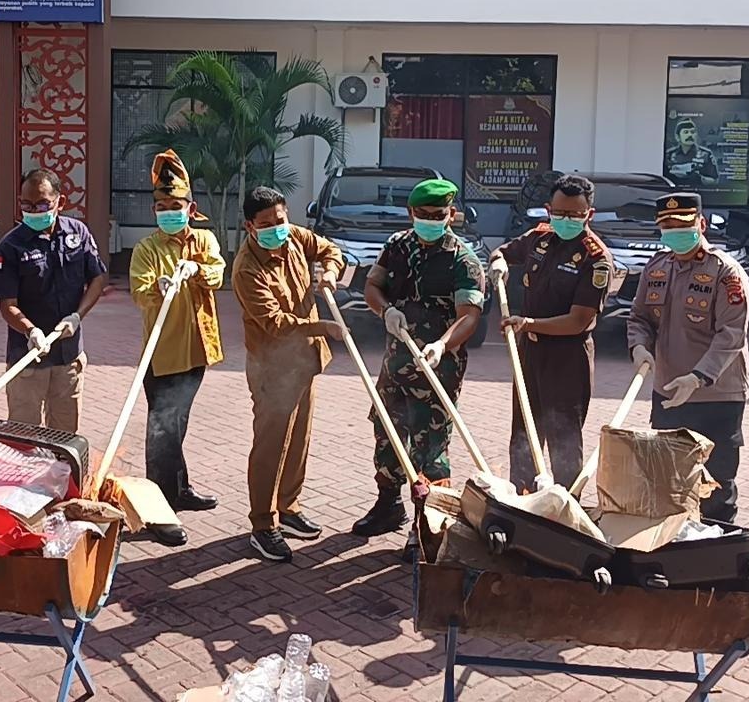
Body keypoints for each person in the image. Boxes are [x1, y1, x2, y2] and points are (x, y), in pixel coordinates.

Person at [354, 178, 486, 559]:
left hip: (437, 369)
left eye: (438, 214)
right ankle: (388, 505)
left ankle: (427, 524)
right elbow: (372, 288)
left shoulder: (462, 259)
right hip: (396, 363)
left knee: (430, 448)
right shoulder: (397, 246)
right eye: (423, 214)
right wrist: (386, 310)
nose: (430, 220)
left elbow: (469, 316)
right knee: (387, 434)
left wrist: (443, 343)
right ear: (411, 213)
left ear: (451, 215)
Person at [232, 185, 344, 563]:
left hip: (304, 361)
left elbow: (329, 250)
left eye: (280, 220)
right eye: (266, 224)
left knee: (299, 439)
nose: (276, 228)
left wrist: (330, 272)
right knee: (271, 445)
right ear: (250, 226)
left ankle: (288, 507)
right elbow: (274, 323)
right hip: (272, 366)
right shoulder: (247, 269)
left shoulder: (294, 236)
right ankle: (263, 524)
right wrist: (323, 327)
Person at [627, 192, 749, 524]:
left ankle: (718, 546)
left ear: (702, 224)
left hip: (716, 395)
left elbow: (731, 334)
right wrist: (639, 347)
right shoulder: (657, 267)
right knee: (667, 479)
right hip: (669, 391)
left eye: (682, 225)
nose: (675, 233)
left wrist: (697, 377)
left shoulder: (726, 273)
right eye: (667, 227)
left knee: (716, 487)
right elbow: (639, 317)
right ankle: (673, 544)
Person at [488, 174, 613, 491]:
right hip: (529, 353)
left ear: (589, 214)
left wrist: (528, 324)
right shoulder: (539, 238)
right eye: (559, 213)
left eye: (574, 214)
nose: (566, 220)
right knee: (524, 435)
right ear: (548, 210)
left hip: (566, 359)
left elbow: (578, 320)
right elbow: (502, 252)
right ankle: (522, 502)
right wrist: (498, 262)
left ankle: (565, 507)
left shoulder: (596, 258)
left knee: (563, 441)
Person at [127, 150, 226, 547]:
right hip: (163, 353)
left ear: (191, 209)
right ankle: (159, 509)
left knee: (177, 424)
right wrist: (159, 285)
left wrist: (197, 270)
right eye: (162, 208)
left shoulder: (203, 239)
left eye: (176, 207)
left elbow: (217, 274)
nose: (169, 213)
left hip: (197, 349)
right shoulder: (147, 249)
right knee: (162, 429)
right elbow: (140, 291)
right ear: (154, 210)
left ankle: (180, 489)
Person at [0, 168, 106, 433]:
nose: (34, 211)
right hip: (28, 357)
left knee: (64, 435)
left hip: (68, 357)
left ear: (60, 202)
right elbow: (7, 305)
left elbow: (98, 278)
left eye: (42, 204)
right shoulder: (10, 246)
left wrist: (77, 316)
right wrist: (30, 330)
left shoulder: (78, 233)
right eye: (27, 205)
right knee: (23, 437)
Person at [665, 119, 719, 186]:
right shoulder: (669, 155)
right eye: (686, 132)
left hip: (698, 190)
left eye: (692, 132)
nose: (690, 135)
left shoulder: (706, 154)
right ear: (677, 137)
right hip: (674, 191)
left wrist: (699, 178)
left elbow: (715, 181)